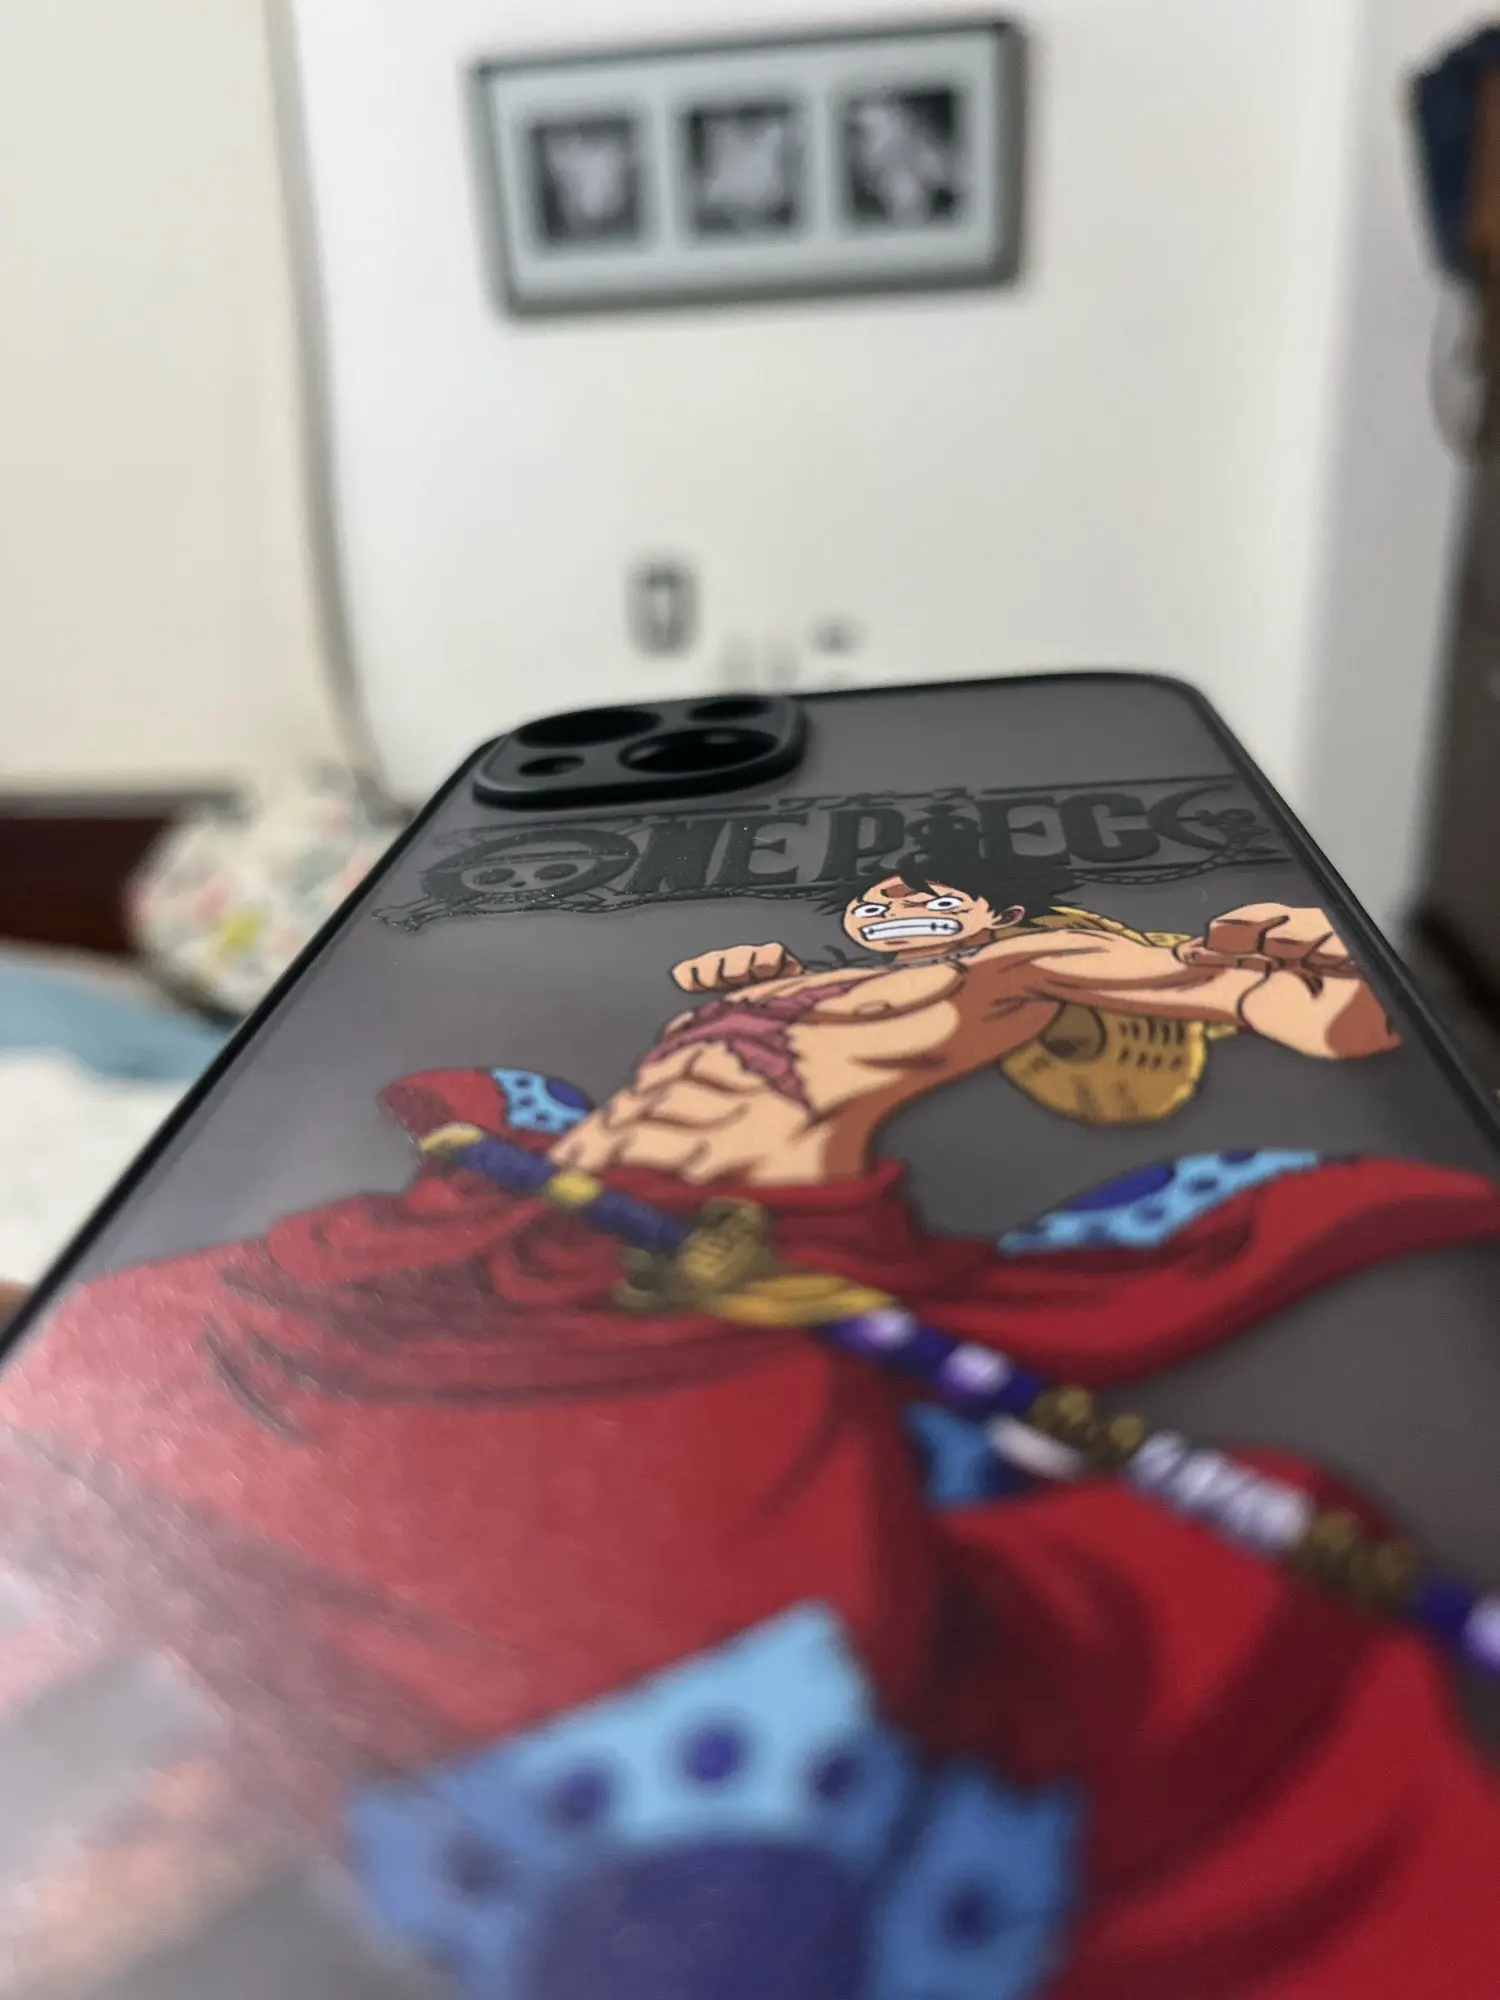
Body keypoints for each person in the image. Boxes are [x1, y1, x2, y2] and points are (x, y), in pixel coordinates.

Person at [1, 852, 1498, 1997]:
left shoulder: (1000, 981)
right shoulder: (777, 980)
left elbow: (1290, 1008)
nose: (898, 912)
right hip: (486, 1247)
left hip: (686, 1302)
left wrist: (1245, 982)